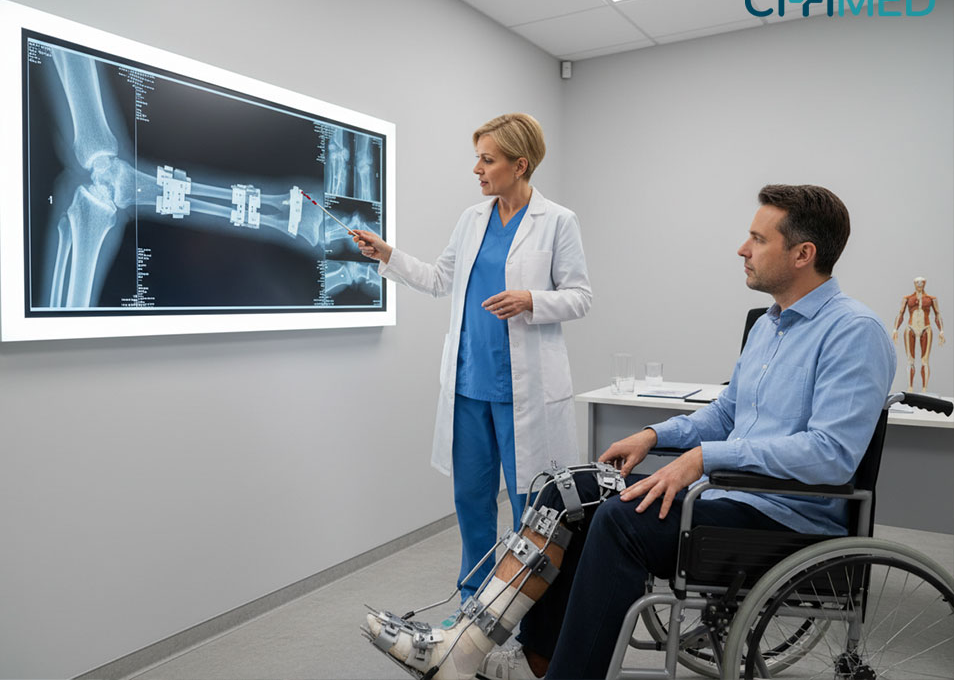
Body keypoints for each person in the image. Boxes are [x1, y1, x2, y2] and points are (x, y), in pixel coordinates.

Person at [363, 184, 895, 680]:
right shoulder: (769, 325)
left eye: (758, 239)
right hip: (731, 495)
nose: (743, 248)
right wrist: (653, 437)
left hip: (784, 518)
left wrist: (703, 459)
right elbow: (725, 412)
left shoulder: (853, 333)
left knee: (619, 522)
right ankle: (506, 652)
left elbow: (830, 455)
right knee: (566, 491)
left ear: (802, 254)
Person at [353, 113, 591, 604]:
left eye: (488, 160)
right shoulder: (472, 219)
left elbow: (580, 296)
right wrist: (387, 255)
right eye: (478, 159)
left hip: (524, 392)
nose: (477, 170)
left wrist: (531, 299)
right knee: (471, 504)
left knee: (531, 508)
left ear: (519, 165)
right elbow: (441, 279)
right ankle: (471, 611)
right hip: (468, 385)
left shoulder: (558, 222)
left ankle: (531, 620)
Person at [892, 276, 945, 392]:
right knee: (910, 360)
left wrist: (941, 330)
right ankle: (910, 388)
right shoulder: (908, 298)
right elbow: (901, 313)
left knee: (925, 360)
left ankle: (924, 389)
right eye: (917, 282)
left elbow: (937, 314)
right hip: (910, 327)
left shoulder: (931, 299)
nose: (920, 284)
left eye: (922, 282)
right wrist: (895, 329)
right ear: (914, 283)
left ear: (925, 283)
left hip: (926, 328)